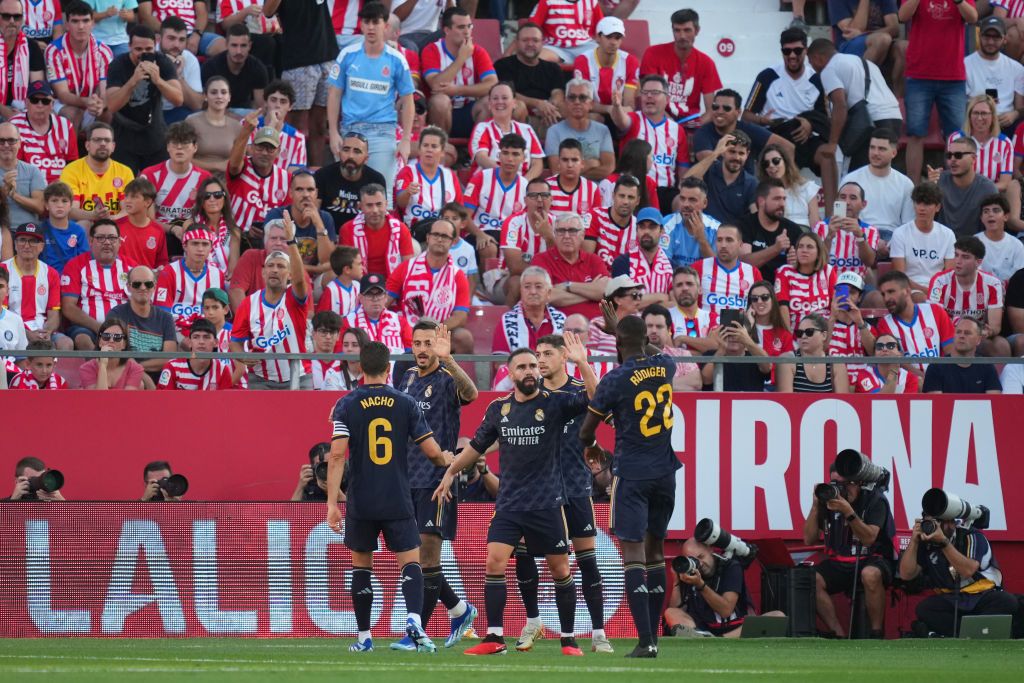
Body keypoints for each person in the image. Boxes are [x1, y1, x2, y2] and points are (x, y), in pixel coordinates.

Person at [434, 338, 597, 657]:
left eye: (534, 365)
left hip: (547, 502)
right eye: (522, 366)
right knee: (494, 562)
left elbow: (595, 397)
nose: (530, 370)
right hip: (510, 503)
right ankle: (494, 637)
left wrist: (582, 363)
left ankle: (568, 639)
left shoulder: (555, 403)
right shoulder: (499, 409)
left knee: (561, 570)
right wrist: (450, 472)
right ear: (509, 373)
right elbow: (477, 446)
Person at [326, 341, 454, 653]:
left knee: (361, 568)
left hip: (362, 499)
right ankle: (413, 619)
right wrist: (446, 459)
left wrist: (331, 503)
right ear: (388, 369)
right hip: (397, 496)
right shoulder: (405, 403)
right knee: (410, 563)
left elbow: (337, 456)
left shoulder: (346, 404)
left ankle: (364, 638)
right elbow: (432, 452)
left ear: (360, 367)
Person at [577, 316, 678, 657]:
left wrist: (592, 446)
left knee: (633, 556)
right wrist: (623, 329)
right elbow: (653, 351)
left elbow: (585, 432)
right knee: (656, 553)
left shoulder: (614, 379)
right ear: (644, 338)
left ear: (617, 344)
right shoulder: (665, 366)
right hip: (666, 472)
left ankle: (646, 641)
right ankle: (654, 639)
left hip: (632, 473)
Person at [511, 334, 614, 653]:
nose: (540, 360)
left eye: (546, 354)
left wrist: (583, 362)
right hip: (537, 493)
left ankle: (598, 633)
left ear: (563, 357)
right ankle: (533, 621)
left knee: (587, 561)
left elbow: (601, 404)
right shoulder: (532, 394)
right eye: (537, 354)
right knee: (525, 557)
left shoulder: (576, 392)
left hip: (575, 486)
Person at [390, 321, 479, 651]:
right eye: (418, 343)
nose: (423, 349)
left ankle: (417, 635)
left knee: (427, 558)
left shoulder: (446, 379)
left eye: (429, 342)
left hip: (436, 480)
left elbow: (472, 394)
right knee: (418, 560)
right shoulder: (408, 377)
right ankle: (459, 609)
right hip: (407, 479)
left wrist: (450, 360)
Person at [899, 493, 1019, 638]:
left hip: (981, 596)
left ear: (951, 522)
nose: (934, 527)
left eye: (940, 522)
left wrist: (944, 542)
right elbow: (906, 574)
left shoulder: (972, 536)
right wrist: (914, 541)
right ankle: (970, 631)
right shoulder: (926, 542)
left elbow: (968, 570)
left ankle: (949, 632)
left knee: (1008, 602)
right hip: (951, 599)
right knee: (924, 609)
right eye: (931, 522)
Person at [803, 452, 896, 638]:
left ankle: (876, 633)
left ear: (859, 482)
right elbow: (809, 539)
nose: (842, 489)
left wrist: (848, 512)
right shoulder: (829, 500)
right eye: (836, 484)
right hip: (841, 561)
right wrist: (815, 506)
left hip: (873, 557)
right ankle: (838, 633)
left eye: (847, 484)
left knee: (870, 574)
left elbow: (869, 538)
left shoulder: (875, 499)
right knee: (809, 579)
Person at [327, 2, 414, 197]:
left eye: (376, 22)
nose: (371, 27)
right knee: (345, 194)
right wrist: (333, 132)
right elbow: (334, 94)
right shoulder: (347, 55)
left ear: (386, 26)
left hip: (382, 132)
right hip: (350, 129)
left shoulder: (397, 59)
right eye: (367, 22)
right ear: (361, 25)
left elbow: (408, 100)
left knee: (381, 194)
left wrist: (406, 139)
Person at [745, 28, 836, 211]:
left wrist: (809, 123)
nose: (792, 56)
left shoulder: (817, 79)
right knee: (781, 148)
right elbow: (746, 115)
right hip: (776, 134)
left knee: (827, 155)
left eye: (797, 51)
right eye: (787, 51)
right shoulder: (768, 76)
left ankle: (830, 213)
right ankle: (776, 208)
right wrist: (765, 121)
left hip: (806, 137)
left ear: (806, 50)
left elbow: (826, 118)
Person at [898, 0, 977, 185]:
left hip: (953, 76)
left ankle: (953, 187)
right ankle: (914, 189)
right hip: (919, 74)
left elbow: (973, 17)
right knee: (915, 133)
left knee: (955, 136)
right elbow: (902, 16)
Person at [229, 211, 310, 389]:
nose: (274, 270)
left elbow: (299, 281)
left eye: (280, 266)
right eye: (270, 266)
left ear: (289, 275)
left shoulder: (294, 298)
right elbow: (235, 340)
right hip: (260, 379)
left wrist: (291, 241)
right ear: (263, 272)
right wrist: (242, 356)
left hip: (299, 376)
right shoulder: (248, 304)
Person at [806, 37, 903, 171]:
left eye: (811, 62)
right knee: (882, 172)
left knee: (858, 176)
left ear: (818, 58)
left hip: (869, 123)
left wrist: (832, 143)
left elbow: (840, 105)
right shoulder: (866, 63)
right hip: (894, 118)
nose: (813, 68)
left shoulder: (829, 69)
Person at [265, 0, 338, 168]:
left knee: (320, 125)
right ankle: (290, 173)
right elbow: (267, 11)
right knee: (295, 126)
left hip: (327, 54)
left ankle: (315, 176)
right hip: (299, 59)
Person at [666, 536, 781, 638]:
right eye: (694, 560)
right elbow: (677, 610)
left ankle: (718, 639)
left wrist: (700, 585)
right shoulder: (690, 572)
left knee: (778, 616)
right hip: (702, 628)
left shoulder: (730, 566)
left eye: (701, 556)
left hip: (735, 627)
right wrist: (676, 583)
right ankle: (698, 636)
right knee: (670, 612)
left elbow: (725, 610)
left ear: (710, 549)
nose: (699, 563)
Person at [104, 25, 183, 172]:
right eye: (138, 49)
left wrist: (158, 80)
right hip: (124, 134)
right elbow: (112, 106)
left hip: (154, 133)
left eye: (148, 49)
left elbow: (178, 99)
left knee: (157, 186)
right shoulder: (118, 65)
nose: (143, 54)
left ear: (155, 46)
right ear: (129, 47)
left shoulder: (162, 61)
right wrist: (133, 81)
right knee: (125, 188)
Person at [609, 74, 689, 210]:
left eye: (655, 93)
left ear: (667, 99)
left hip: (666, 191)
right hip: (637, 189)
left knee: (683, 203)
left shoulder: (677, 130)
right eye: (645, 93)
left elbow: (683, 169)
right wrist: (617, 106)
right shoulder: (634, 119)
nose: (649, 96)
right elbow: (621, 121)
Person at [421, 6, 497, 138]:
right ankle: (442, 153)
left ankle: (476, 151)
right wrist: (461, 58)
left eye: (469, 26)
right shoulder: (431, 50)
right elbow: (436, 86)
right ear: (446, 30)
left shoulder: (478, 51)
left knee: (488, 103)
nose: (467, 32)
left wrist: (457, 90)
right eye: (461, 27)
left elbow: (492, 84)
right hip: (439, 115)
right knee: (440, 101)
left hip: (469, 111)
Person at [385, 217, 471, 330]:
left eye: (445, 236)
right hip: (406, 329)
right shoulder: (406, 268)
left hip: (439, 332)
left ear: (452, 242)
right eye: (435, 234)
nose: (439, 239)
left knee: (463, 338)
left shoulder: (457, 276)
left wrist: (435, 331)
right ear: (428, 238)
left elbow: (460, 316)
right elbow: (385, 301)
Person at [928, 235, 1008, 356]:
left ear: (978, 262)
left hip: (977, 335)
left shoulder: (993, 283)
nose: (958, 261)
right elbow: (934, 319)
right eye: (956, 255)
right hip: (947, 335)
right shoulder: (939, 281)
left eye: (965, 257)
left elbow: (995, 326)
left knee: (1001, 344)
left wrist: (988, 331)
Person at [639, 8, 721, 124]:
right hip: (656, 119)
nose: (682, 36)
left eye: (687, 30)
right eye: (677, 30)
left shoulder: (707, 63)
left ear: (697, 31)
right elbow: (649, 97)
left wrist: (697, 125)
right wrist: (673, 126)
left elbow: (711, 110)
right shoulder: (653, 54)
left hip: (691, 123)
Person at [60, 218, 129, 349]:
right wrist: (100, 328)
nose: (107, 242)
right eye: (101, 238)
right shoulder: (76, 265)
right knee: (82, 339)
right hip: (88, 328)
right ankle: (97, 367)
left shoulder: (132, 267)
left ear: (120, 242)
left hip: (126, 329)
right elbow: (68, 307)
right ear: (91, 241)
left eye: (112, 238)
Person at [2, 222, 69, 348]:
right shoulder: (3, 270)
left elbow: (53, 315)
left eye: (33, 241)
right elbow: (3, 315)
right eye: (22, 240)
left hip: (41, 330)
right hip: (10, 328)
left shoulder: (51, 273)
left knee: (66, 343)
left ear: (42, 246)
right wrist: (26, 334)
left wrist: (47, 332)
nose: (27, 245)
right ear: (15, 244)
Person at [693, 89, 793, 174]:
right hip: (714, 189)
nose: (719, 111)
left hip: (747, 190)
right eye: (715, 107)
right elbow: (709, 165)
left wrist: (776, 178)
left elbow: (788, 147)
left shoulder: (748, 129)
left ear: (738, 112)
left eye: (726, 108)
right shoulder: (703, 133)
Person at [839, 127, 914, 240]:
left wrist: (890, 244)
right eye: (872, 148)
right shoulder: (849, 180)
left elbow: (908, 225)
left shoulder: (906, 184)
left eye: (881, 149)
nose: (875, 153)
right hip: (858, 234)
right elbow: (839, 216)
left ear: (893, 153)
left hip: (892, 238)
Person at [493, 22, 566, 137]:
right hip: (520, 115)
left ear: (542, 43)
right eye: (525, 40)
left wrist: (551, 105)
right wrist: (537, 104)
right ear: (516, 43)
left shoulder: (553, 68)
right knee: (518, 106)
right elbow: (507, 94)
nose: (530, 44)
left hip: (546, 116)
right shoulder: (503, 65)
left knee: (569, 106)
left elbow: (558, 92)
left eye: (535, 40)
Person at [140, 122, 210, 241]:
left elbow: (209, 215)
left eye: (185, 143)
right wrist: (172, 229)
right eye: (175, 143)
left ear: (195, 147)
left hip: (193, 233)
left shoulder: (205, 178)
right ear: (168, 147)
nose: (179, 147)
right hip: (158, 233)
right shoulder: (149, 175)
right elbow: (146, 218)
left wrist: (188, 228)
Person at [875, 269, 955, 374]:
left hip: (941, 378)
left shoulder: (935, 311)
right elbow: (897, 362)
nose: (886, 298)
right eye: (883, 294)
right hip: (909, 384)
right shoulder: (884, 324)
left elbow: (950, 351)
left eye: (891, 292)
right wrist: (922, 378)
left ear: (907, 291)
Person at [532, 212, 610, 319]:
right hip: (559, 326)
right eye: (561, 231)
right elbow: (547, 296)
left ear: (582, 235)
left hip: (596, 325)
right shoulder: (541, 259)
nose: (566, 236)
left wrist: (567, 285)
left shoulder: (593, 260)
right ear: (555, 234)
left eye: (572, 231)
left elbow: (606, 292)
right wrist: (590, 294)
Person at [106, 264, 177, 380]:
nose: (143, 288)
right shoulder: (116, 315)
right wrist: (142, 376)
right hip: (124, 378)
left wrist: (138, 368)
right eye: (137, 284)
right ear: (128, 287)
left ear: (154, 287)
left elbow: (169, 358)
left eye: (148, 284)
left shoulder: (166, 318)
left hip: (159, 380)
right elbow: (115, 354)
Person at [226, 113, 289, 242]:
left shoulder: (286, 179)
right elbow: (233, 165)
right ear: (252, 147)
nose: (264, 153)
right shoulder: (242, 167)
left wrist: (269, 230)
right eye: (260, 147)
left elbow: (288, 216)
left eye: (270, 149)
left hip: (270, 241)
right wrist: (246, 131)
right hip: (236, 238)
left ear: (278, 152)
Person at [494, 176, 557, 304]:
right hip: (506, 278)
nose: (539, 200)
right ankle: (508, 321)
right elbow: (515, 268)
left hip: (547, 279)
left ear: (551, 199)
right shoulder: (513, 223)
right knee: (518, 282)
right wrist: (546, 274)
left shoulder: (558, 224)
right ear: (525, 200)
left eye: (544, 195)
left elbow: (561, 262)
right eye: (534, 196)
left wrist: (549, 238)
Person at [463, 131, 528, 253]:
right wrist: (479, 234)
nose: (510, 159)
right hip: (480, 232)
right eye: (505, 153)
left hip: (510, 238)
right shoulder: (480, 178)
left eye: (515, 154)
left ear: (523, 158)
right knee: (489, 247)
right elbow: (464, 216)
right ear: (499, 155)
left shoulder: (526, 186)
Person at [153, 226, 225, 336]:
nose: (200, 249)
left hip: (207, 332)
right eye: (195, 243)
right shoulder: (169, 272)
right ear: (185, 246)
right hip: (175, 331)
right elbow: (162, 313)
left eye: (205, 244)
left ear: (211, 247)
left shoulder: (217, 274)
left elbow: (218, 314)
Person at [890, 182, 956, 297]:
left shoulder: (948, 234)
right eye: (918, 203)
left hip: (940, 290)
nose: (921, 208)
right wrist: (929, 292)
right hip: (909, 289)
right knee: (919, 297)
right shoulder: (900, 233)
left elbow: (950, 274)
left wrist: (936, 292)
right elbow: (900, 276)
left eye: (927, 204)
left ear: (938, 207)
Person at [264, 170, 336, 276]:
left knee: (331, 275)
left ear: (316, 193)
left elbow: (327, 260)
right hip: (285, 274)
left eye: (310, 190)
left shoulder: (325, 218)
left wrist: (319, 224)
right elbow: (277, 259)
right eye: (299, 189)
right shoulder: (277, 215)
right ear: (291, 193)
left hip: (314, 279)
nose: (305, 194)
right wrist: (317, 269)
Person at [61, 123, 133, 227]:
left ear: (113, 147)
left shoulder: (125, 171)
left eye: (107, 140)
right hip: (84, 224)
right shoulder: (71, 170)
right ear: (87, 145)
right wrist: (94, 215)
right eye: (97, 140)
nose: (103, 143)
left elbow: (129, 209)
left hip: (115, 225)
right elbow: (70, 210)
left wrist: (110, 219)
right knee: (84, 224)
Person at [394, 126, 464, 231]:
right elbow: (400, 203)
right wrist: (408, 192)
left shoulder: (450, 176)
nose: (429, 150)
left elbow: (458, 210)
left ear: (442, 152)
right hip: (414, 233)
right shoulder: (407, 172)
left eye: (434, 146)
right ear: (419, 149)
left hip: (444, 234)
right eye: (425, 145)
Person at [544, 79, 615, 182]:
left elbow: (608, 169)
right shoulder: (554, 131)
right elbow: (557, 171)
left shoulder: (603, 130)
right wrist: (590, 164)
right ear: (566, 102)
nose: (577, 102)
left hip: (597, 191)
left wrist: (572, 171)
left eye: (582, 98)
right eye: (572, 97)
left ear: (591, 104)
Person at [315, 131, 387, 231]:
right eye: (346, 150)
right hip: (328, 235)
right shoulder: (322, 175)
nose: (350, 156)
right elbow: (313, 212)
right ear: (339, 153)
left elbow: (379, 216)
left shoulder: (376, 179)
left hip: (361, 236)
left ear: (366, 158)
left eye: (357, 151)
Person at [469, 83, 543, 179]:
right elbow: (481, 158)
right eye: (495, 98)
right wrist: (507, 178)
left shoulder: (527, 130)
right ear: (489, 104)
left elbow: (537, 163)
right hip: (488, 184)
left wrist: (523, 183)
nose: (500, 102)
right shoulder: (482, 128)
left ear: (514, 103)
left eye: (504, 98)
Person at [339, 183, 415, 278]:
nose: (375, 210)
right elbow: (346, 271)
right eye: (369, 205)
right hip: (359, 283)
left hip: (392, 283)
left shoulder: (400, 228)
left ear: (386, 204)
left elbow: (407, 268)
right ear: (360, 206)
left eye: (379, 204)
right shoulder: (347, 229)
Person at [965, 16, 1024, 138]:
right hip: (976, 120)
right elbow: (962, 103)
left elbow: (1020, 107)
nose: (991, 42)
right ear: (979, 36)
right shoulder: (965, 65)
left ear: (1004, 39)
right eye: (987, 36)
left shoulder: (1017, 68)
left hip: (1005, 123)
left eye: (996, 37)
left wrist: (1014, 114)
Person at [11, 80, 78, 185]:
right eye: (34, 100)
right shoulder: (15, 126)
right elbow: (13, 168)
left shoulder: (65, 125)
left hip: (60, 190)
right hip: (27, 186)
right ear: (26, 103)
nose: (40, 105)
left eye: (45, 101)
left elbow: (73, 165)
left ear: (52, 104)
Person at [930, 135, 998, 238]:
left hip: (974, 247)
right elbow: (923, 217)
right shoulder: (938, 181)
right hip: (941, 243)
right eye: (949, 155)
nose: (952, 159)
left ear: (973, 158)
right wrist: (930, 188)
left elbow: (995, 226)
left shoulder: (987, 189)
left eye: (958, 155)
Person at [684, 131, 758, 226]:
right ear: (723, 151)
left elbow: (755, 214)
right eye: (732, 151)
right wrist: (716, 152)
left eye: (741, 153)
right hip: (705, 230)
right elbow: (685, 182)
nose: (736, 157)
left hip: (732, 236)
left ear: (747, 155)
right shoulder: (709, 169)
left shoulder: (751, 183)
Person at [738, 179, 805, 283]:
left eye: (784, 199)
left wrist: (797, 263)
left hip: (784, 289)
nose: (782, 204)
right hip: (752, 287)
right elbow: (744, 264)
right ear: (761, 201)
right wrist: (775, 249)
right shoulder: (745, 225)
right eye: (777, 199)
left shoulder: (793, 230)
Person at [693, 224, 763, 324]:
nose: (723, 245)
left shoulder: (753, 273)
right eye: (719, 240)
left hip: (740, 335)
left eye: (729, 240)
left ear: (740, 245)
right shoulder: (698, 268)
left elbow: (761, 307)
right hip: (705, 334)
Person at [572, 16, 639, 119]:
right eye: (608, 37)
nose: (613, 42)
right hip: (593, 112)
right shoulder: (583, 60)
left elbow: (629, 105)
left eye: (617, 38)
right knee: (595, 118)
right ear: (598, 38)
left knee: (627, 119)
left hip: (619, 113)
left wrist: (616, 110)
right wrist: (610, 109)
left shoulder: (630, 61)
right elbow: (583, 102)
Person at [813, 180, 879, 279]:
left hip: (856, 286)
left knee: (875, 295)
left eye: (853, 198)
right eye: (842, 197)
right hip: (827, 283)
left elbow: (869, 262)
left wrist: (860, 236)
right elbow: (817, 262)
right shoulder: (821, 226)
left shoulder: (870, 230)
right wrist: (829, 236)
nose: (847, 202)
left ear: (863, 204)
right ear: (837, 201)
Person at [610, 206, 673, 306]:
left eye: (652, 226)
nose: (646, 231)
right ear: (636, 230)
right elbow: (623, 301)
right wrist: (660, 297)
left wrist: (642, 302)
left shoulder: (671, 265)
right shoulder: (622, 262)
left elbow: (675, 303)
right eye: (642, 226)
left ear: (662, 231)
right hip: (630, 321)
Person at [774, 232, 837, 330]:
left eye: (809, 247)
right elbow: (782, 309)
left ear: (818, 253)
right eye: (800, 246)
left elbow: (835, 307)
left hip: (823, 334)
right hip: (795, 334)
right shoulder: (785, 272)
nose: (804, 250)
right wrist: (789, 338)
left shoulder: (828, 271)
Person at [923, 316, 1002, 394]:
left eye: (967, 333)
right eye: (958, 332)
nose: (961, 336)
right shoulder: (936, 367)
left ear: (978, 340)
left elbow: (995, 403)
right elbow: (936, 404)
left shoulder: (987, 367)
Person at [199, 24, 268, 113]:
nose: (238, 51)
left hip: (244, 112)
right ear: (227, 45)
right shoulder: (211, 67)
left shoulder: (258, 68)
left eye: (243, 46)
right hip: (216, 111)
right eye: (234, 45)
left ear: (250, 46)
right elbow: (205, 104)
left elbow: (260, 107)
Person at [342, 272, 412, 358]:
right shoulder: (348, 322)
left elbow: (410, 353)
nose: (375, 299)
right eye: (369, 294)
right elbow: (341, 355)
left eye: (379, 294)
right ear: (360, 298)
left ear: (386, 297)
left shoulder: (400, 321)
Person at [157, 317, 238, 390]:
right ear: (189, 342)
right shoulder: (172, 367)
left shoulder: (222, 370)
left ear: (216, 342)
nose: (201, 342)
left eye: (206, 337)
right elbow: (163, 402)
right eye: (196, 337)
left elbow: (225, 404)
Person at [777, 313, 850, 393]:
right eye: (800, 333)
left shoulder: (836, 365)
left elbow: (841, 403)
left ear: (824, 335)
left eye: (809, 332)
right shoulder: (788, 361)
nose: (803, 336)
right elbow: (786, 401)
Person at [186, 76, 242, 174]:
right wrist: (217, 166)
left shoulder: (237, 126)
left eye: (224, 92)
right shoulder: (192, 122)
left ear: (229, 97)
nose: (219, 96)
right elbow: (183, 157)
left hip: (224, 181)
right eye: (214, 92)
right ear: (205, 96)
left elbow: (239, 161)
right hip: (195, 177)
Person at [0, 0, 45, 121]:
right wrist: (4, 111)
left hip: (22, 106)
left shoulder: (31, 46)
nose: (11, 21)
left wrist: (27, 112)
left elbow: (37, 87)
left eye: (17, 17)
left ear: (23, 20)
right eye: (6, 16)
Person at [187, 176, 240, 277]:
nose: (212, 199)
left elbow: (233, 269)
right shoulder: (191, 224)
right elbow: (189, 260)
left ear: (224, 199)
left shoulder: (233, 231)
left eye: (217, 195)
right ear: (201, 200)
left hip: (224, 281)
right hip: (195, 277)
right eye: (207, 196)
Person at [699, 318, 772, 391]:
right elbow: (706, 380)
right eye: (728, 333)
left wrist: (748, 342)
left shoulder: (755, 356)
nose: (733, 337)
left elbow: (767, 367)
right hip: (720, 401)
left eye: (737, 333)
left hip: (750, 401)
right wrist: (721, 351)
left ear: (748, 336)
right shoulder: (710, 355)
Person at [757, 144, 819, 228]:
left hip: (804, 236)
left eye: (776, 161)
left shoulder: (807, 187)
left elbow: (815, 224)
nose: (771, 165)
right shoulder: (763, 193)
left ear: (785, 162)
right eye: (766, 164)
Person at [78, 315, 149, 389]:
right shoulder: (86, 368)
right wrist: (103, 365)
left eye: (117, 337)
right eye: (106, 336)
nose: (111, 340)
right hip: (98, 400)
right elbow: (99, 399)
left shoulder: (134, 368)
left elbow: (128, 400)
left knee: (141, 385)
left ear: (124, 344)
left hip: (122, 401)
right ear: (99, 342)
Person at [827, 0, 902, 69]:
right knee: (882, 39)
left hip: (880, 41)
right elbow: (852, 31)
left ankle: (898, 84)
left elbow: (894, 28)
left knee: (903, 47)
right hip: (848, 45)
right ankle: (860, 80)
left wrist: (864, 34)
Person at [642, 305, 701, 391]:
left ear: (669, 330)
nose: (654, 330)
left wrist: (652, 386)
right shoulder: (632, 354)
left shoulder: (682, 354)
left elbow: (696, 383)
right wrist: (675, 385)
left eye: (659, 326)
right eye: (649, 326)